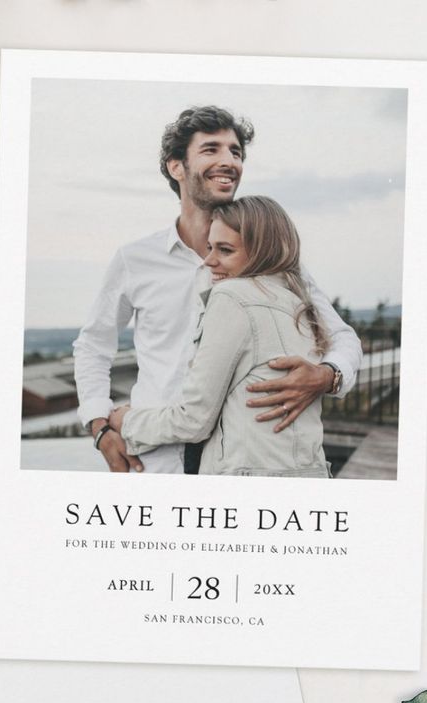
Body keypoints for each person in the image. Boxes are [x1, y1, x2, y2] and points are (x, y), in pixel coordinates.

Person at [73, 106, 362, 474]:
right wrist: (99, 426)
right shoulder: (134, 259)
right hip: (155, 459)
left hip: (238, 463)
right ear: (176, 166)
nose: (229, 161)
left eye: (235, 152)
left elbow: (342, 336)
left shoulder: (270, 261)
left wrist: (327, 375)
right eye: (211, 149)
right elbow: (93, 346)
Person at [108, 196, 330, 478]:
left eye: (225, 250)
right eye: (210, 247)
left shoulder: (231, 296)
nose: (210, 261)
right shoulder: (298, 302)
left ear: (263, 250)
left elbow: (194, 420)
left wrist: (126, 421)